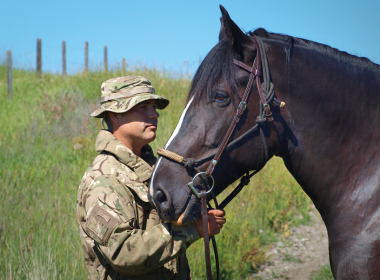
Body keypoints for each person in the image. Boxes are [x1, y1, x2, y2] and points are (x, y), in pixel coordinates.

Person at [76, 76, 226, 280]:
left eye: (154, 107)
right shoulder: (104, 179)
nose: (154, 114)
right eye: (143, 107)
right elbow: (122, 252)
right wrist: (192, 231)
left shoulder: (153, 169)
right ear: (115, 115)